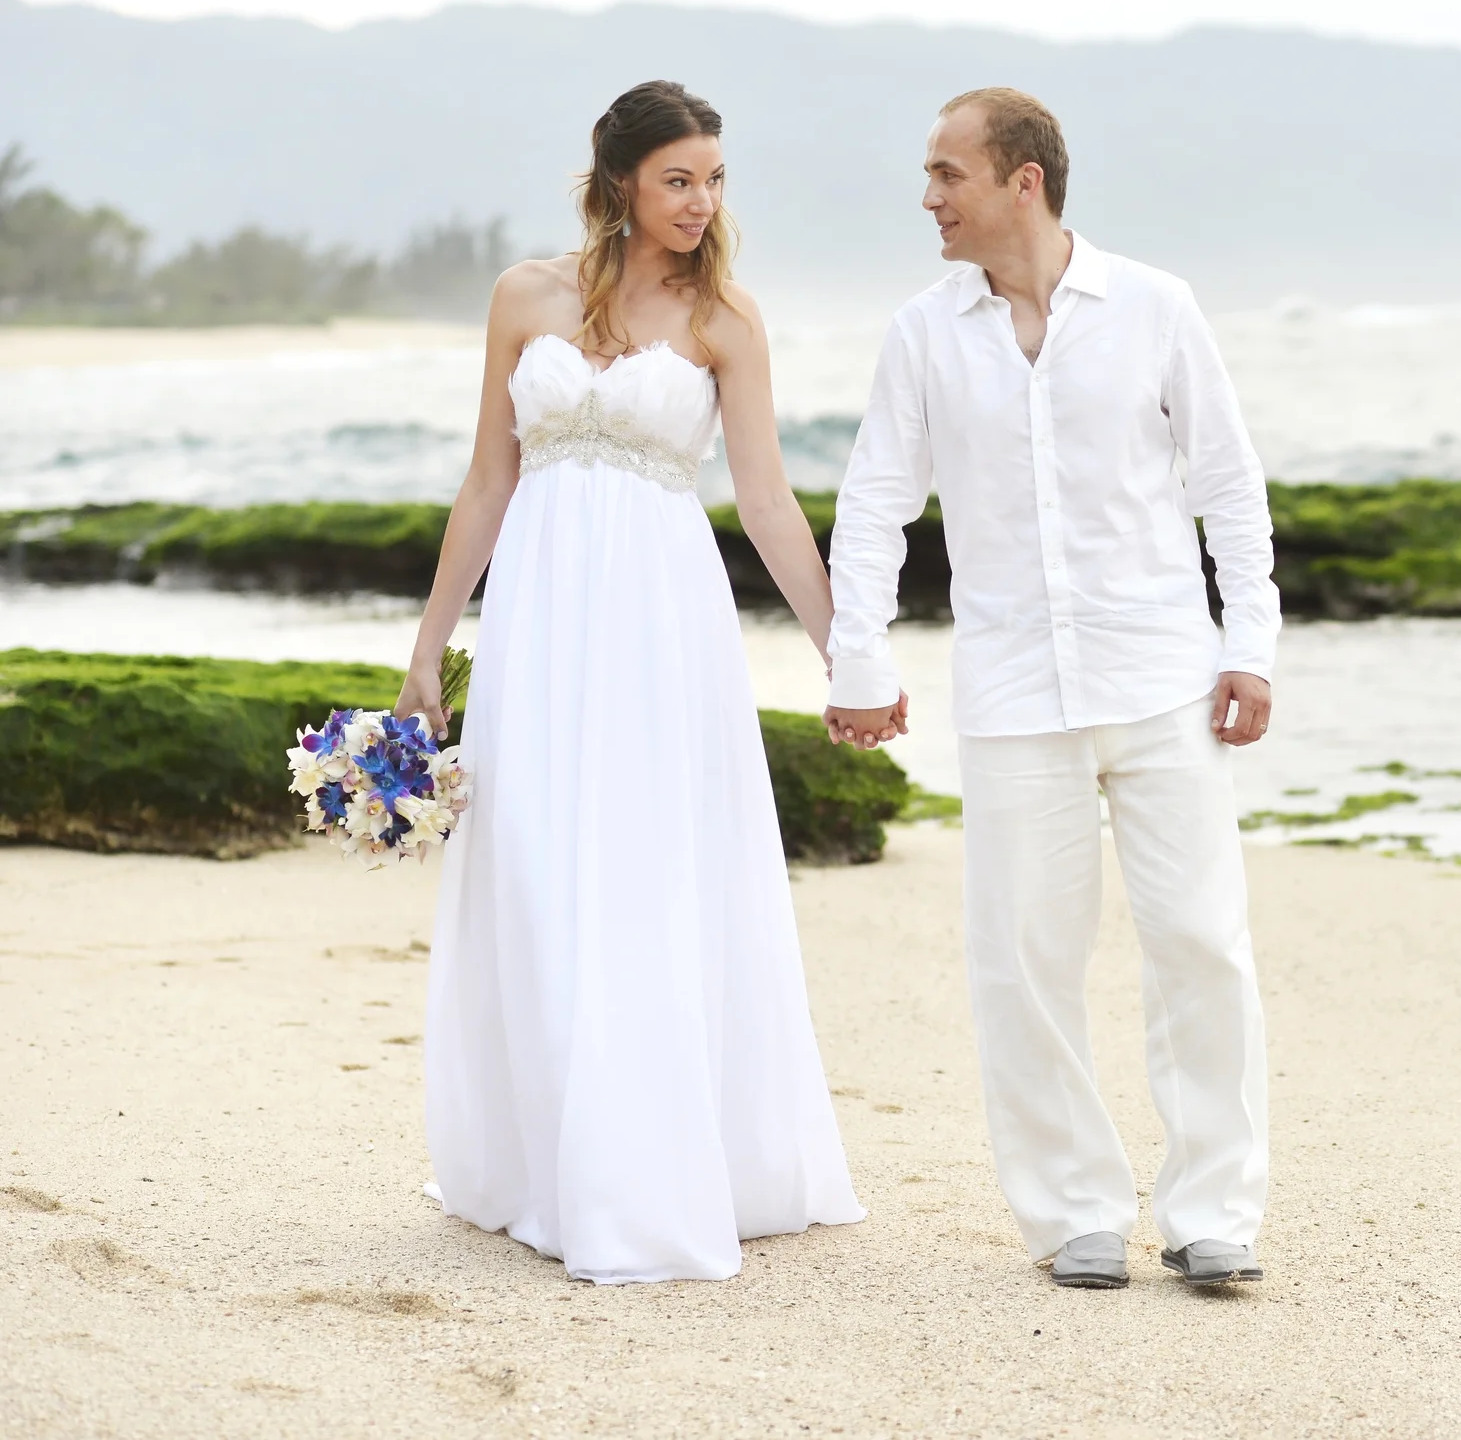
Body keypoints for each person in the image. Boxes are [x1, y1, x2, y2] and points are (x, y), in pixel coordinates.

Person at [396, 80, 864, 1283]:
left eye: (713, 178)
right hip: (543, 620)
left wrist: (841, 647)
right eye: (677, 179)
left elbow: (765, 501)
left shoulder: (725, 321)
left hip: (663, 620)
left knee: (649, 866)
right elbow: (487, 483)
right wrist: (426, 653)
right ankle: (546, 1154)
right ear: (617, 183)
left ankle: (650, 1162)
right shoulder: (524, 297)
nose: (701, 202)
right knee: (541, 863)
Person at [824, 88, 1279, 1290]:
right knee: (1024, 957)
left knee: (1201, 944)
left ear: (1022, 180)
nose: (927, 197)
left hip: (1163, 676)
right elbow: (876, 503)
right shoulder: (924, 332)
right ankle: (1073, 1204)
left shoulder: (1154, 307)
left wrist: (1253, 644)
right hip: (1015, 689)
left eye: (946, 174)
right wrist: (862, 659)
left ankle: (1211, 1209)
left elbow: (1228, 484)